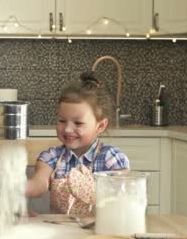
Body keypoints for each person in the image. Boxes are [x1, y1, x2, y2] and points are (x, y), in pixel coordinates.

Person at [25, 71, 130, 215]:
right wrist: (14, 187)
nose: (68, 129)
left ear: (100, 126)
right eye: (62, 121)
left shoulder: (111, 159)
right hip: (61, 233)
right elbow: (38, 185)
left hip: (100, 233)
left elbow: (124, 195)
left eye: (78, 123)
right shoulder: (51, 157)